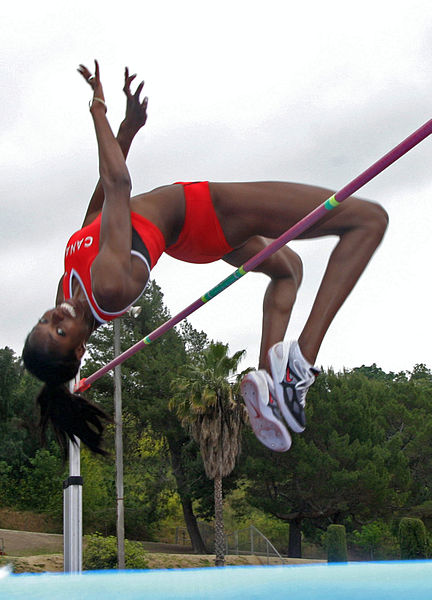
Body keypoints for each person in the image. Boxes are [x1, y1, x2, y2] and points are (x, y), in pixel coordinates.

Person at [23, 61, 388, 455]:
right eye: (60, 332)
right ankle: (301, 365)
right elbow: (118, 186)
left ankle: (268, 383)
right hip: (207, 213)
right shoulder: (106, 289)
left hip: (192, 239)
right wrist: (98, 109)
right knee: (366, 220)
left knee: (288, 270)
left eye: (44, 321)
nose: (55, 317)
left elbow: (96, 213)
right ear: (80, 350)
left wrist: (127, 132)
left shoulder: (67, 286)